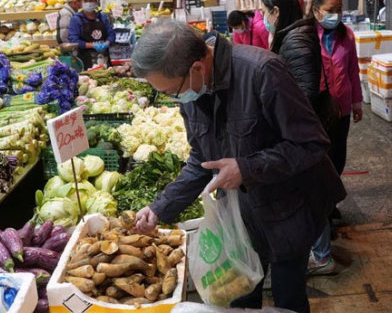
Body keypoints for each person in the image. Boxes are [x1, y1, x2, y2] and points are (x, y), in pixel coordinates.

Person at [130, 20, 346, 313]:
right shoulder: (191, 90)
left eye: (170, 91)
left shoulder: (262, 71)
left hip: (292, 208)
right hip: (244, 213)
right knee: (240, 291)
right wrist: (159, 209)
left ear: (196, 68)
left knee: (288, 295)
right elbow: (201, 160)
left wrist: (246, 168)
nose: (173, 98)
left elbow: (312, 144)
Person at [305, 0, 363, 275]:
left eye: (339, 9)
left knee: (337, 159)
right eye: (330, 10)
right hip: (315, 111)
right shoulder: (305, 37)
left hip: (341, 109)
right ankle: (323, 214)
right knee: (320, 162)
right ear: (316, 11)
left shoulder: (346, 36)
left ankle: (328, 206)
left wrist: (357, 102)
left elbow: (353, 70)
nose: (336, 15)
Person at [262, 0, 322, 106]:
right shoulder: (292, 36)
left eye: (264, 12)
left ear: (276, 11)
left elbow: (306, 92)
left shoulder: (295, 42)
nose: (263, 17)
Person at [68, 0, 115, 69]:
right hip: (86, 60)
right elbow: (74, 40)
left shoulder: (102, 17)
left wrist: (107, 42)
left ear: (96, 2)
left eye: (91, 0)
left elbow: (111, 33)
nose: (88, 3)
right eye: (85, 1)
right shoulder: (76, 19)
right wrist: (92, 45)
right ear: (81, 2)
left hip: (104, 58)